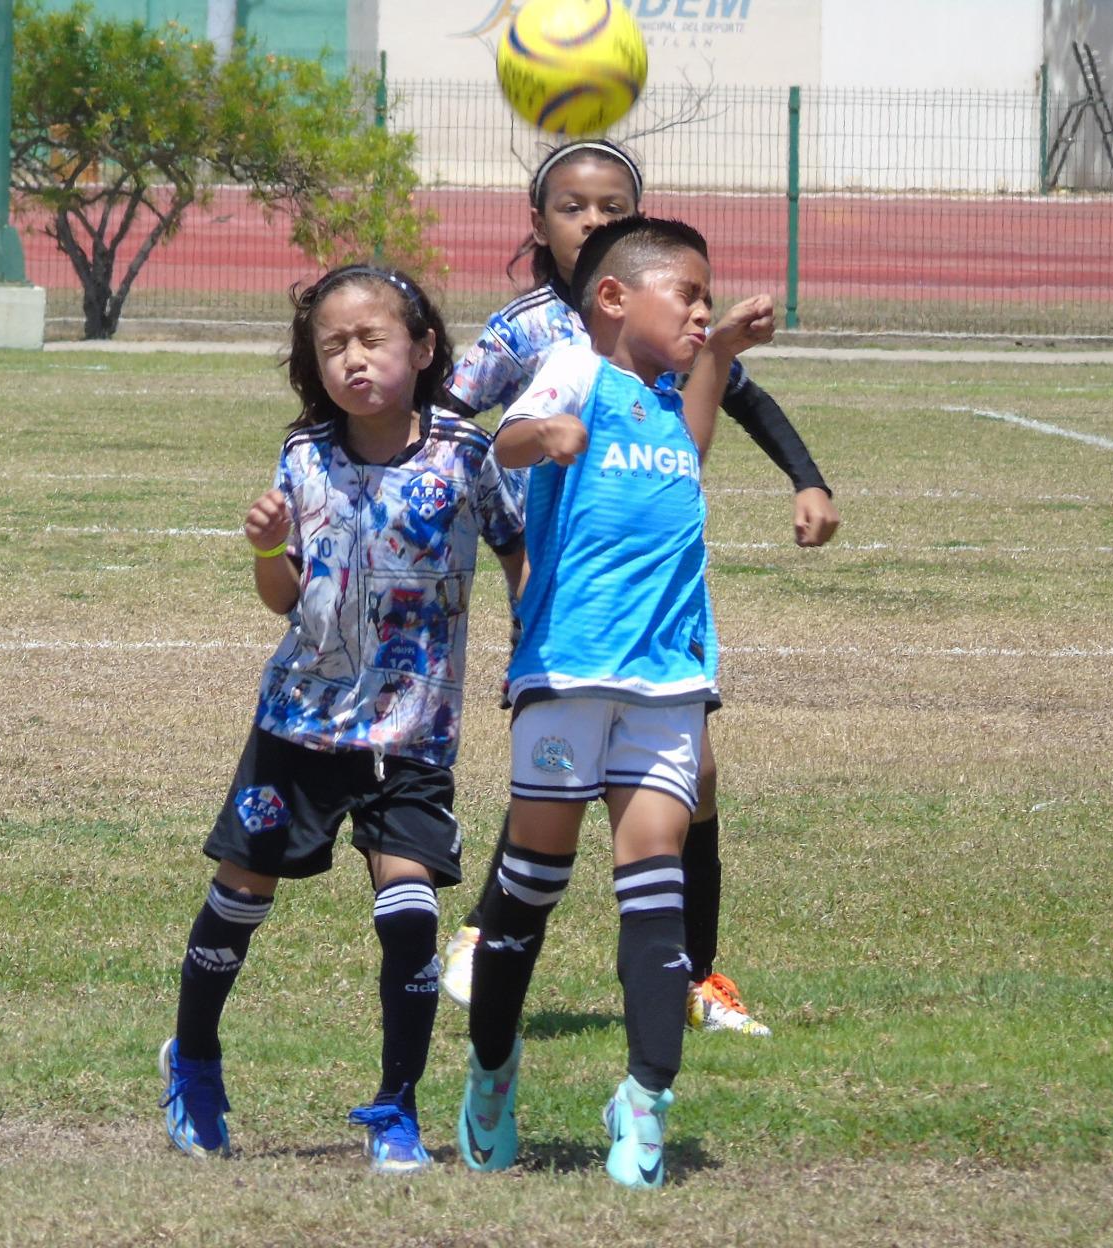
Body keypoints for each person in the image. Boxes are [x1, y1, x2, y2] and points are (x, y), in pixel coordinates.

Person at [438, 140, 840, 1036]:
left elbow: (730, 402)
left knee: (690, 779)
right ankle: (486, 934)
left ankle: (695, 979)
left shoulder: (672, 328)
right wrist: (498, 521)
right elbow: (463, 426)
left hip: (660, 626)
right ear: (539, 223)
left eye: (612, 206)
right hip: (570, 598)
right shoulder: (537, 334)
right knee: (559, 788)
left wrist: (804, 475)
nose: (594, 221)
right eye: (574, 207)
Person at [160, 263, 526, 1173]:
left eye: (372, 340)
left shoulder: (465, 454)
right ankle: (194, 1061)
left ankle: (396, 1108)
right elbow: (284, 598)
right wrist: (266, 546)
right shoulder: (304, 458)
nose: (353, 359)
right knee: (242, 896)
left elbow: (519, 551)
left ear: (424, 348)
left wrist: (531, 650)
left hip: (413, 731)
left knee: (409, 916)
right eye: (333, 346)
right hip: (300, 727)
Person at [457, 215, 774, 1189]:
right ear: (612, 298)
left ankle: (643, 1100)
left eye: (706, 297)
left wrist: (716, 350)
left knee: (654, 894)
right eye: (687, 293)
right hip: (571, 674)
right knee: (531, 888)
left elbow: (694, 443)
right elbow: (503, 444)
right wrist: (535, 435)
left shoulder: (666, 404)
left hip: (669, 685)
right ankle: (494, 1069)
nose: (700, 307)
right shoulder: (574, 371)